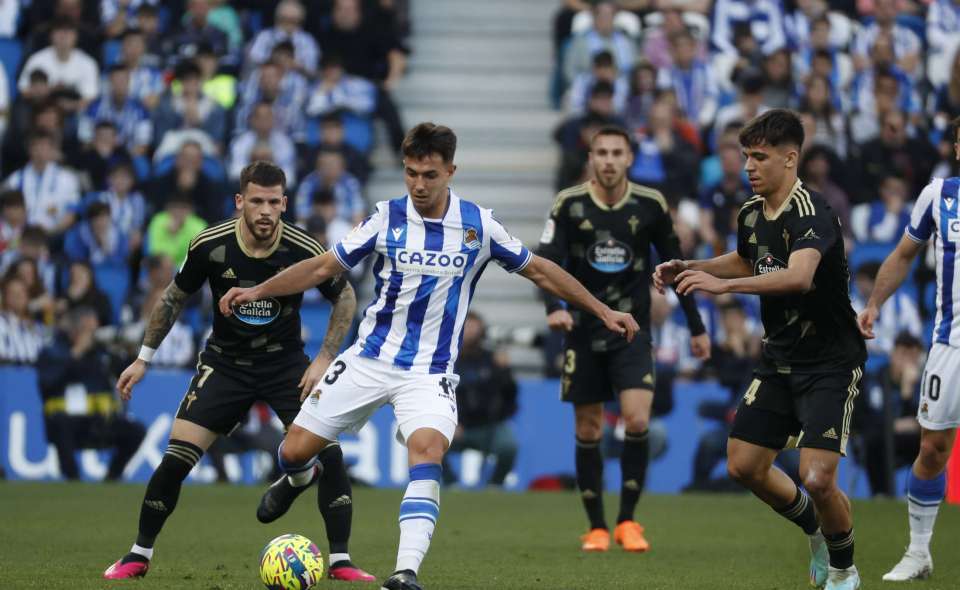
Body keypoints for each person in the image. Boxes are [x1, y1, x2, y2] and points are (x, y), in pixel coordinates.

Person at [218, 123, 640, 590]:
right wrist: (258, 289)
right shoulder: (386, 217)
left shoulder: (479, 225)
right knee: (293, 451)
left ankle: (405, 573)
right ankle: (297, 479)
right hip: (369, 359)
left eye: (429, 175)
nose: (418, 184)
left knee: (428, 451)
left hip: (430, 371)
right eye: (411, 173)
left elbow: (540, 270)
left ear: (450, 171)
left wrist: (602, 310)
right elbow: (323, 267)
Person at [102, 161, 373, 582]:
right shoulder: (210, 244)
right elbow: (173, 298)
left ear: (284, 203)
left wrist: (324, 358)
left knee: (331, 453)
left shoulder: (304, 247)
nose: (265, 210)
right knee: (175, 459)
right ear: (240, 201)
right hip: (225, 363)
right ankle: (138, 554)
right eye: (257, 201)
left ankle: (340, 561)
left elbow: (346, 298)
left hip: (286, 363)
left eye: (273, 202)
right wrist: (143, 358)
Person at [654, 109, 867, 590]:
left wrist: (723, 289)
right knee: (743, 465)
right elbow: (746, 258)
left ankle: (844, 569)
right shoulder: (751, 212)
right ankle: (815, 528)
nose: (747, 165)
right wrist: (690, 265)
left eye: (759, 157)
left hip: (830, 362)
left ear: (790, 159)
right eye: (746, 155)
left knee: (817, 478)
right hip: (779, 357)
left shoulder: (813, 211)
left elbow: (799, 276)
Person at [537, 125, 710, 553]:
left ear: (630, 158)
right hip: (582, 328)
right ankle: (596, 527)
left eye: (617, 152)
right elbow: (546, 263)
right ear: (591, 158)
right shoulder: (569, 203)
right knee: (589, 426)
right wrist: (554, 309)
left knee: (636, 420)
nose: (610, 160)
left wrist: (696, 326)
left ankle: (628, 521)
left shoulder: (650, 205)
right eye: (602, 152)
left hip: (632, 328)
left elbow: (676, 268)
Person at [857, 115, 960, 582]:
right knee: (933, 446)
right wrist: (875, 303)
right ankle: (918, 552)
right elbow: (902, 255)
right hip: (949, 343)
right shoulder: (938, 195)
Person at [35, 306, 145, 480]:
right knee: (61, 423)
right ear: (76, 329)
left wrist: (131, 352)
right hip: (67, 421)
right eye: (89, 330)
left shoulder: (101, 354)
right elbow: (47, 384)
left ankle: (111, 479)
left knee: (136, 431)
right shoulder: (52, 351)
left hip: (98, 422)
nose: (94, 334)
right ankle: (73, 480)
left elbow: (127, 376)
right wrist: (76, 352)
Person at [441, 311, 519, 487]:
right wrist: (450, 420)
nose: (470, 331)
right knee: (431, 441)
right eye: (466, 325)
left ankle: (495, 484)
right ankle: (450, 483)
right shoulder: (447, 359)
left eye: (474, 326)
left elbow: (510, 394)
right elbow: (438, 393)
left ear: (482, 330)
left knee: (509, 446)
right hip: (456, 426)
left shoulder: (492, 359)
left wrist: (505, 371)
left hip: (489, 426)